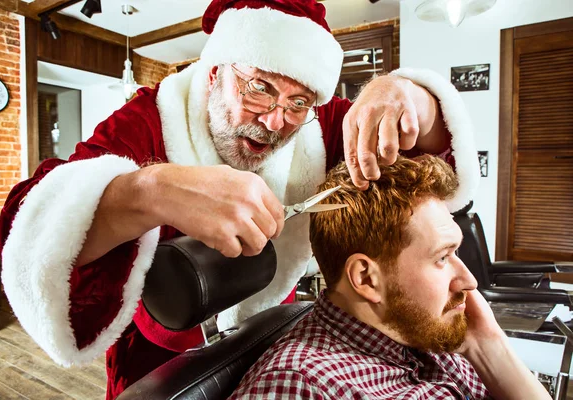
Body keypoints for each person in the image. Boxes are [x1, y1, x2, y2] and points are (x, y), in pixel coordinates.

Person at [0, 0, 480, 398]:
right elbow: (29, 224)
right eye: (259, 88)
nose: (275, 121)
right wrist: (150, 189)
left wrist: (404, 94)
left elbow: (432, 160)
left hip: (274, 335)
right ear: (213, 73)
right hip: (157, 354)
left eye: (298, 103)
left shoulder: (322, 123)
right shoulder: (150, 119)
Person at [230, 156, 550, 400]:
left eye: (455, 253)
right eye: (441, 257)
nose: (468, 280)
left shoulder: (423, 330)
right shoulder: (300, 387)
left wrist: (488, 348)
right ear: (367, 279)